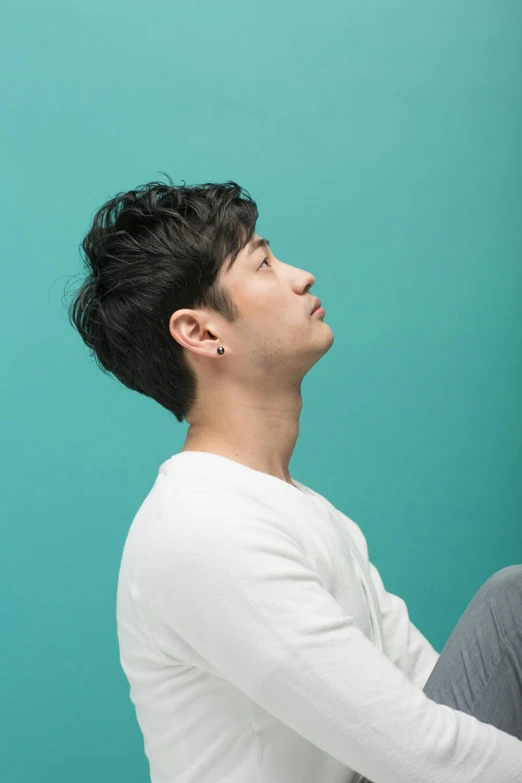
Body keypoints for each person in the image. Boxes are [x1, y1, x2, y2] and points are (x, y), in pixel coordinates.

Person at [67, 176, 522, 782]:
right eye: (262, 265)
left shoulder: (298, 508)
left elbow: (425, 704)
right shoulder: (205, 529)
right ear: (202, 333)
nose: (300, 275)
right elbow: (425, 755)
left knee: (507, 607)